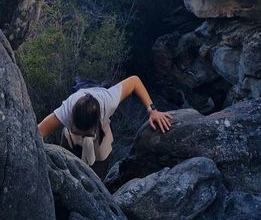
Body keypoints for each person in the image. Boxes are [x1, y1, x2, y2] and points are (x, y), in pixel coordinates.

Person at [38, 75, 172, 178]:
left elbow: (134, 81)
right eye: (79, 132)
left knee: (100, 164)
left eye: (86, 134)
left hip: (100, 131)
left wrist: (152, 110)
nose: (83, 136)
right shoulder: (65, 112)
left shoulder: (109, 100)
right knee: (66, 157)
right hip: (74, 134)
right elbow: (37, 133)